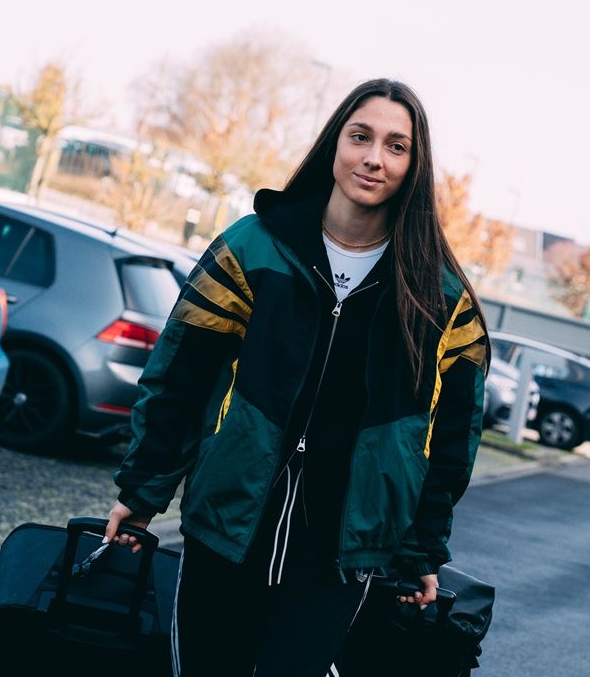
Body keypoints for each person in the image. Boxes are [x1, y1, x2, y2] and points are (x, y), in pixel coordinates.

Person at [103, 78, 490, 676]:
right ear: (334, 144)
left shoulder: (438, 295)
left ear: (415, 165)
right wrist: (143, 492)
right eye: (360, 137)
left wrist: (420, 550)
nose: (373, 158)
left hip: (341, 549)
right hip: (227, 525)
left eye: (396, 146)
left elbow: (453, 437)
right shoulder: (252, 248)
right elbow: (180, 376)